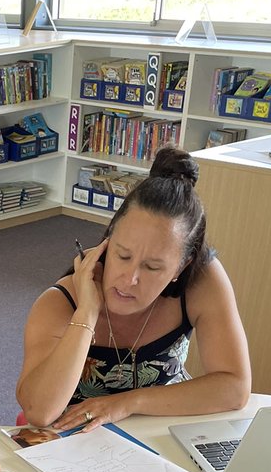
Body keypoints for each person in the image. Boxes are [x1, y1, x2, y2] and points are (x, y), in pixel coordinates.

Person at [18, 146, 251, 432]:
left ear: (181, 267)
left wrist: (127, 403)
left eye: (153, 267)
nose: (130, 279)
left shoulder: (201, 279)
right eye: (123, 255)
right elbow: (39, 412)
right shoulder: (61, 301)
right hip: (78, 444)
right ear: (108, 241)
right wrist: (87, 314)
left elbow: (235, 387)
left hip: (162, 425)